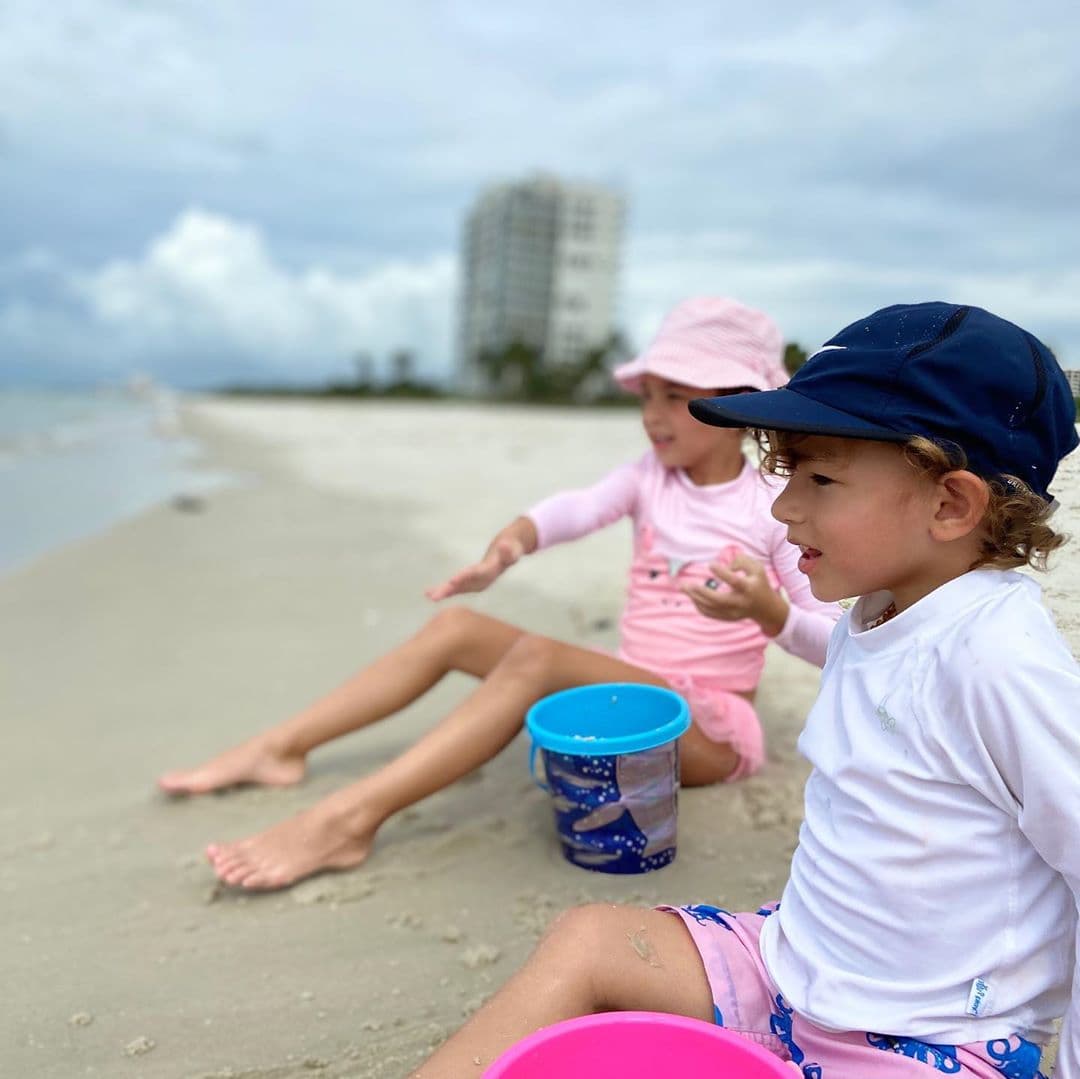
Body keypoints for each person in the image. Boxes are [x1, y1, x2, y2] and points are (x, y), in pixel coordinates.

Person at [414, 302, 1080, 1079]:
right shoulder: (888, 606)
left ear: (950, 504)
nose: (782, 505)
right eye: (789, 472)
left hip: (926, 1037)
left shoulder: (1001, 660)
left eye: (820, 477)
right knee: (589, 940)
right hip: (789, 967)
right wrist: (770, 616)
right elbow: (853, 662)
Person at [159, 297, 840, 891]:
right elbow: (577, 507)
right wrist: (511, 543)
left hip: (707, 728)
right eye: (646, 395)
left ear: (733, 401)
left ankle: (347, 819)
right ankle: (281, 747)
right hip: (630, 684)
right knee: (458, 626)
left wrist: (766, 611)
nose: (652, 416)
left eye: (674, 396)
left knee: (539, 659)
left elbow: (833, 647)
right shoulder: (649, 478)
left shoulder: (773, 508)